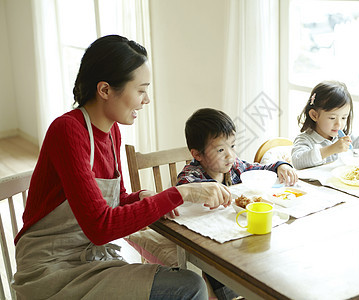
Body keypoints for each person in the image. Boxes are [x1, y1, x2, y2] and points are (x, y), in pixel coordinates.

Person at [12, 35, 231, 300]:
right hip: (52, 270)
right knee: (188, 286)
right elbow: (100, 226)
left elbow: (111, 204)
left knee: (188, 283)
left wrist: (138, 198)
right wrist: (183, 193)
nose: (146, 99)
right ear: (104, 90)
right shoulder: (67, 130)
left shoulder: (112, 131)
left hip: (93, 259)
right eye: (140, 90)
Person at [176, 108, 298, 300]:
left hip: (238, 232)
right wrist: (200, 192)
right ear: (197, 154)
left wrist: (280, 166)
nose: (230, 156)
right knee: (228, 272)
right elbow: (181, 192)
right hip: (210, 242)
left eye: (233, 146)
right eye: (220, 150)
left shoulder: (235, 167)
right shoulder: (192, 176)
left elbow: (261, 168)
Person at [291, 80, 359, 170]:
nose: (339, 124)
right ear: (314, 115)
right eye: (332, 118)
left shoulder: (343, 137)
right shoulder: (305, 140)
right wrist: (331, 149)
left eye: (343, 118)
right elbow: (297, 161)